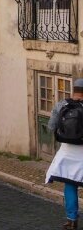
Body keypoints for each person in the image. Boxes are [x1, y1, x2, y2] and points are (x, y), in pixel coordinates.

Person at [46, 78, 83, 229]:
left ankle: (72, 219)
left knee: (70, 185)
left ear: (74, 90)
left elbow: (51, 126)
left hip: (68, 151)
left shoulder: (62, 104)